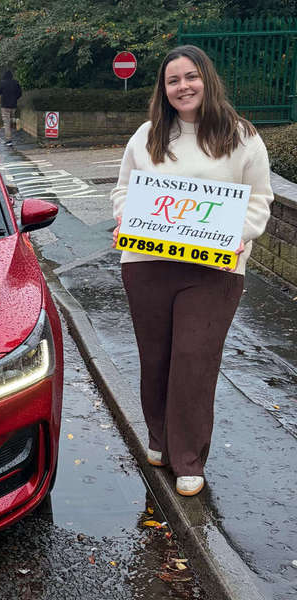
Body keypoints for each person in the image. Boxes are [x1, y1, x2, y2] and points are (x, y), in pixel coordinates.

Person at [110, 45, 273, 496]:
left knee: (194, 360)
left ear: (207, 79)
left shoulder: (242, 137)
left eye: (191, 77)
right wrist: (125, 216)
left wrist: (240, 232)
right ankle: (160, 438)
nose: (183, 87)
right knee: (156, 358)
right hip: (148, 263)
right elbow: (123, 190)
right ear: (163, 89)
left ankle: (188, 458)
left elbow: (259, 198)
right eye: (173, 80)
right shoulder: (147, 136)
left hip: (214, 270)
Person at [0, 70, 22, 146]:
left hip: (5, 106)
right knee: (11, 120)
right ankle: (15, 121)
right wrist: (15, 98)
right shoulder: (16, 83)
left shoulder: (3, 83)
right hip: (13, 105)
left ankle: (9, 140)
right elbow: (20, 93)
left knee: (6, 123)